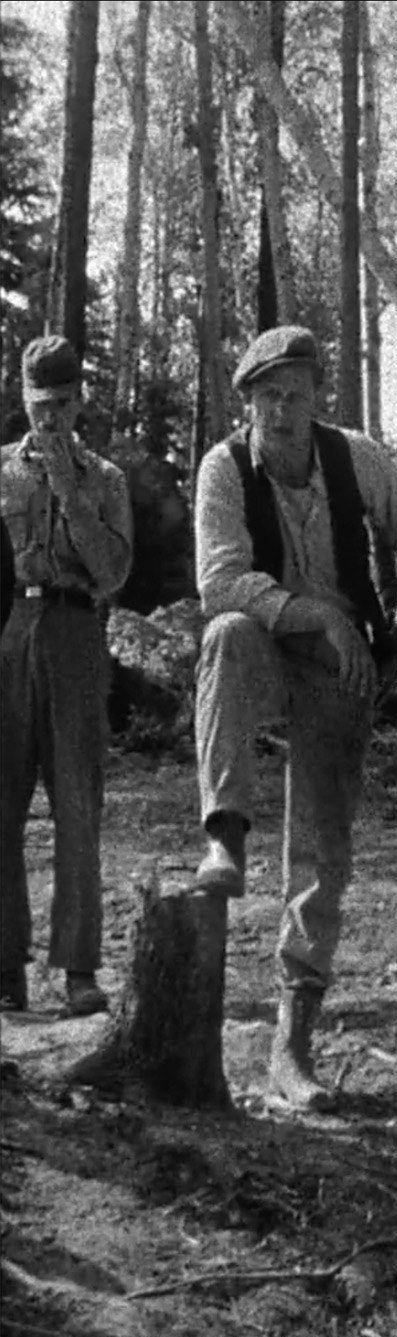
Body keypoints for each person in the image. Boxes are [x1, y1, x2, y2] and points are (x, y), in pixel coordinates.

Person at [192, 326, 397, 1111]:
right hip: (270, 640)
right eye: (267, 396)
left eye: (295, 393)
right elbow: (220, 583)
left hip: (341, 665)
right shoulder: (224, 468)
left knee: (322, 847)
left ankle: (291, 1043)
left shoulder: (355, 457)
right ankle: (224, 832)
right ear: (248, 403)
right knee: (227, 636)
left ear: (317, 396)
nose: (281, 410)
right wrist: (312, 614)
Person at [0, 337, 133, 1017]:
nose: (49, 416)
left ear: (79, 401)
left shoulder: (105, 479)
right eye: (38, 404)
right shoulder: (0, 472)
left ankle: (79, 969)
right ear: (23, 400)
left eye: (60, 403)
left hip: (77, 629)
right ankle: (5, 965)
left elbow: (113, 572)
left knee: (78, 802)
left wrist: (70, 493)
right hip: (11, 630)